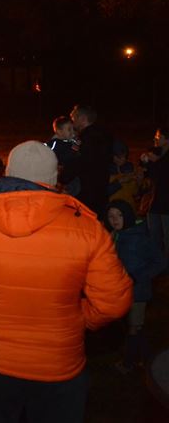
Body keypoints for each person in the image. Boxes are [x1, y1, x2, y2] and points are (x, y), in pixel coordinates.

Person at [0, 140, 132, 423]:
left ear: (8, 173)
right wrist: (79, 318)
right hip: (59, 366)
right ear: (54, 179)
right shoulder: (88, 229)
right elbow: (113, 302)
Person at [105, 200, 166, 374]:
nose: (115, 219)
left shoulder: (139, 238)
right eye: (111, 216)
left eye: (119, 215)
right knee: (133, 326)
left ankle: (128, 363)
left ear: (128, 216)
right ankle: (144, 356)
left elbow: (160, 261)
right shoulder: (115, 236)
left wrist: (139, 276)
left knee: (134, 326)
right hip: (121, 290)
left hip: (137, 291)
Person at [65, 104, 113, 218]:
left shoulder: (85, 139)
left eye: (73, 118)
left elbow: (78, 162)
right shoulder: (105, 136)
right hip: (101, 189)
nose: (72, 122)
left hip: (85, 192)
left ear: (82, 119)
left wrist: (63, 178)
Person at [140, 126, 169, 256]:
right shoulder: (155, 153)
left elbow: (163, 174)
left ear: (167, 139)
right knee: (153, 235)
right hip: (153, 201)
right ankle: (156, 262)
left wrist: (154, 161)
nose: (155, 139)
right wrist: (145, 163)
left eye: (158, 137)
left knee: (167, 236)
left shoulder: (161, 158)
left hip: (166, 203)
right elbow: (149, 175)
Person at [47, 115, 80, 196]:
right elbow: (65, 158)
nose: (72, 132)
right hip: (62, 179)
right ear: (59, 132)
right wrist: (75, 148)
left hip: (71, 176)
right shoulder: (55, 144)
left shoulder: (68, 141)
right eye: (69, 129)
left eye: (73, 129)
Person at [107, 140, 140, 212]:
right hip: (113, 210)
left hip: (129, 209)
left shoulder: (131, 168)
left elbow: (136, 194)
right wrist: (120, 181)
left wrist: (139, 182)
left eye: (125, 156)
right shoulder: (105, 169)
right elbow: (102, 193)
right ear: (112, 156)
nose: (123, 159)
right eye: (119, 157)